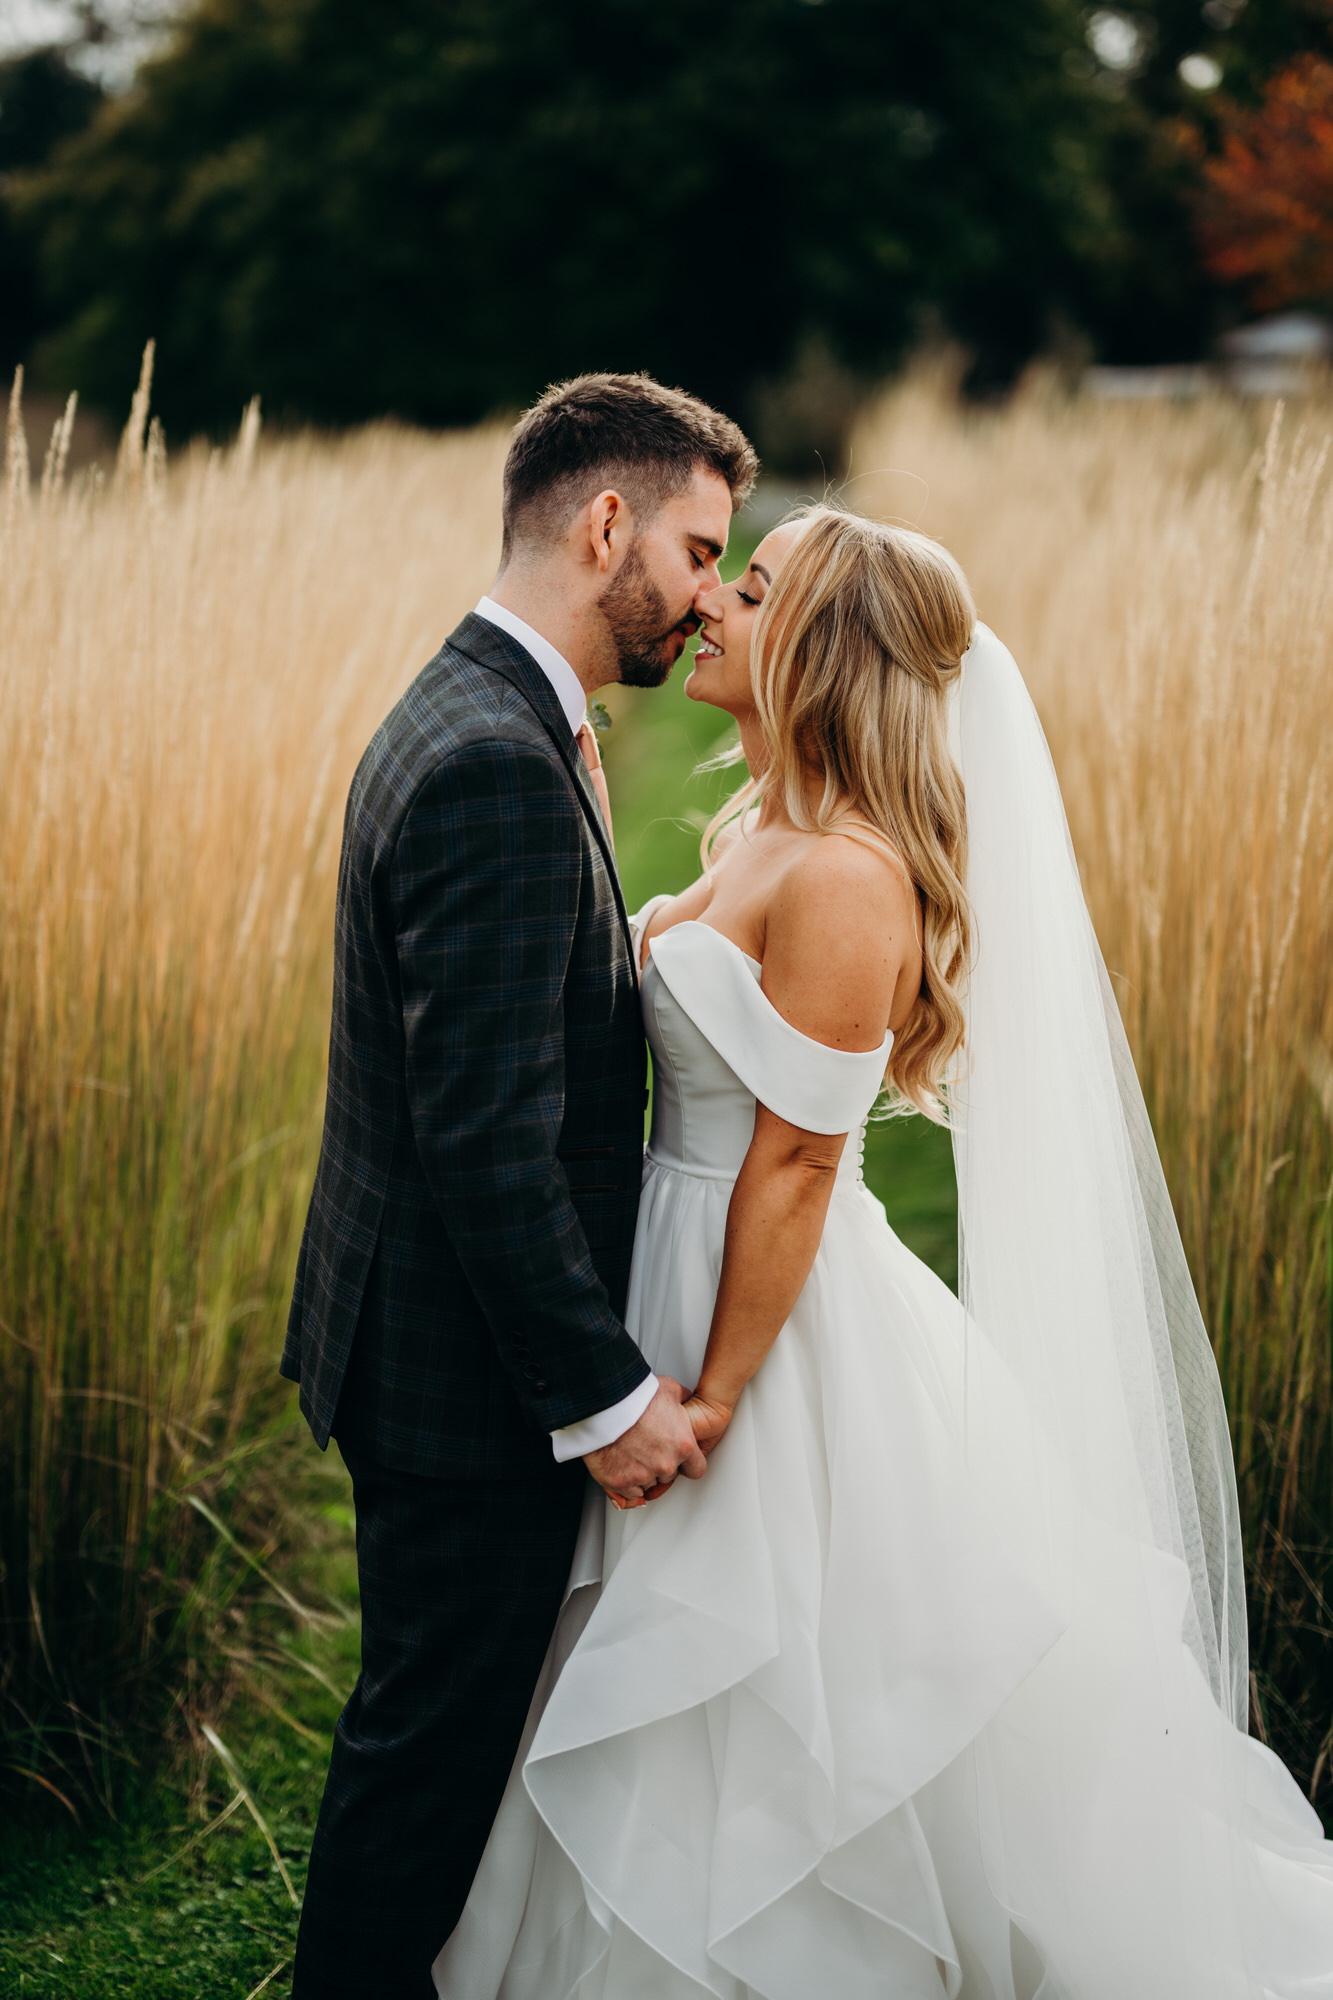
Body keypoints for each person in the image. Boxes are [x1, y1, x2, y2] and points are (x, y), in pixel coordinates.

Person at [435, 507, 1333, 1999]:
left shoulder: (848, 878)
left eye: (756, 586)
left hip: (759, 1315)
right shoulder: (760, 830)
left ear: (824, 647)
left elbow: (795, 1161)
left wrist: (714, 1394)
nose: (713, 600)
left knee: (772, 1678)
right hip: (670, 1260)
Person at [281, 372, 758, 1999]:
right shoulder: (493, 755)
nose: (705, 597)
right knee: (425, 1768)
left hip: (422, 1339)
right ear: (604, 520)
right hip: (461, 1382)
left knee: (432, 1743)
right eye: (699, 550)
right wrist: (604, 1394)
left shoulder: (478, 702)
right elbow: (482, 1136)